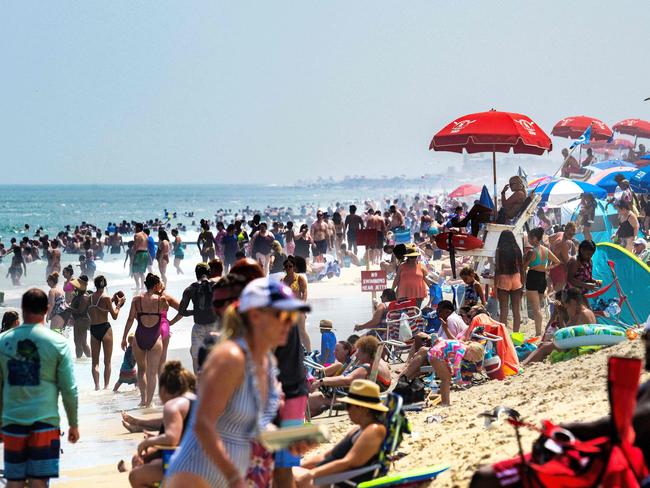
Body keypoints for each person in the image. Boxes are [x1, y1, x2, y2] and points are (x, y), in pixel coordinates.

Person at [470, 318, 650, 488]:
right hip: (614, 460)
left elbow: (633, 422)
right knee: (487, 476)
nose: (645, 346)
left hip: (628, 471)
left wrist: (570, 428)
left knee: (488, 479)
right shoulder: (646, 386)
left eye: (648, 340)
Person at [164, 278, 309, 488]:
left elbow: (250, 426)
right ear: (256, 316)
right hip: (198, 475)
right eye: (282, 315)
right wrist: (233, 476)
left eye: (292, 316)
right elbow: (203, 425)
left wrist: (288, 439)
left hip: (231, 474)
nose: (290, 323)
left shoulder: (267, 361)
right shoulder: (230, 357)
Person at [0, 288, 79, 486]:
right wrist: (73, 424)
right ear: (47, 309)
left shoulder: (2, 343)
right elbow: (69, 389)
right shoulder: (58, 343)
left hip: (12, 423)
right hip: (45, 424)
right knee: (39, 483)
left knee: (14, 481)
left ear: (22, 308)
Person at [293, 379, 388, 487]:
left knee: (284, 475)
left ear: (362, 408)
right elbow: (327, 455)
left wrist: (311, 474)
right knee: (286, 471)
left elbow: (348, 463)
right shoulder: (358, 429)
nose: (347, 410)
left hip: (337, 482)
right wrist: (302, 466)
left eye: (348, 406)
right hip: (327, 478)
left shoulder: (374, 431)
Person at [128, 361, 197, 488]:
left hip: (189, 466)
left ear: (164, 390)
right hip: (209, 462)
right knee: (147, 458)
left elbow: (172, 439)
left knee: (135, 476)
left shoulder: (173, 405)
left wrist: (147, 443)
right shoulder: (198, 400)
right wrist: (156, 437)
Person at [308, 335, 391, 417]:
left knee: (314, 399)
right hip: (370, 395)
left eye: (359, 351)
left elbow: (346, 380)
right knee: (315, 398)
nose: (357, 355)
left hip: (352, 400)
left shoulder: (368, 367)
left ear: (366, 352)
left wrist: (322, 381)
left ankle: (300, 421)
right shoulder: (381, 362)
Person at [122, 273, 169, 407]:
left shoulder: (137, 299)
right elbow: (166, 310)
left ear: (145, 284)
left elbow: (130, 319)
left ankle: (143, 400)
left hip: (140, 335)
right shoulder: (161, 299)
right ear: (156, 286)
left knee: (142, 370)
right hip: (155, 337)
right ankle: (149, 402)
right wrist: (161, 292)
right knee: (152, 372)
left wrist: (124, 337)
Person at [522, 288, 596, 365]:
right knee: (544, 345)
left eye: (567, 306)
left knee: (543, 347)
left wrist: (561, 315)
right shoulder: (586, 312)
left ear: (573, 302)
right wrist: (560, 314)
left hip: (579, 345)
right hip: (580, 342)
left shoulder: (581, 314)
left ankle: (524, 364)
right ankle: (526, 362)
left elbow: (568, 335)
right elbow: (568, 331)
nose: (566, 308)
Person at [172, 263, 218, 373]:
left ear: (196, 274)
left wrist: (196, 312)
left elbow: (182, 311)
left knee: (196, 358)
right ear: (209, 273)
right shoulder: (216, 286)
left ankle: (198, 384)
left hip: (198, 327)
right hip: (215, 326)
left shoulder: (190, 289)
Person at [89, 275, 126, 390]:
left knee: (95, 363)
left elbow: (97, 306)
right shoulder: (106, 298)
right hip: (105, 328)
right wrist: (118, 304)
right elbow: (114, 316)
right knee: (107, 361)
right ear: (105, 285)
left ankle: (96, 386)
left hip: (94, 329)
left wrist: (113, 300)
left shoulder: (89, 298)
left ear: (95, 285)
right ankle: (106, 387)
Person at [523, 227, 561, 336]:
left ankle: (538, 333)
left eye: (530, 238)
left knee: (536, 308)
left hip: (533, 276)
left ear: (534, 238)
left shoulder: (531, 251)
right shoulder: (546, 249)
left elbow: (524, 266)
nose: (528, 240)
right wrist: (547, 268)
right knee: (538, 307)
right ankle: (539, 331)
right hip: (542, 277)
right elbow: (557, 262)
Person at [494, 230, 524, 332]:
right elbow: (522, 267)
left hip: (503, 279)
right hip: (516, 278)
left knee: (504, 311)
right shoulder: (517, 249)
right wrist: (522, 284)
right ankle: (516, 334)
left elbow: (497, 269)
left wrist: (495, 286)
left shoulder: (499, 250)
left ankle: (503, 335)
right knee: (516, 311)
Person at [282, 255, 311, 352]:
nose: (288, 268)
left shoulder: (299, 278)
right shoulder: (283, 280)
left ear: (294, 267)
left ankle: (310, 351)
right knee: (291, 332)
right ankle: (297, 352)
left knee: (302, 331)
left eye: (290, 266)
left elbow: (305, 292)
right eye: (286, 267)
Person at [67, 276, 92, 358]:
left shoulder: (84, 296)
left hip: (81, 320)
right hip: (81, 320)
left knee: (78, 343)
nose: (74, 287)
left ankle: (79, 362)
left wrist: (68, 309)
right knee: (82, 343)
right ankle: (90, 359)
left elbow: (80, 311)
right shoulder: (80, 294)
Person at [548, 222, 576, 291]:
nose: (571, 236)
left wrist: (551, 250)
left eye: (573, 234)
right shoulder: (563, 243)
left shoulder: (559, 233)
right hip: (560, 270)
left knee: (554, 292)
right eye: (570, 234)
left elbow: (549, 238)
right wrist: (574, 257)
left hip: (553, 268)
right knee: (557, 294)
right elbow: (567, 261)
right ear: (566, 231)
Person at [132, 223, 149, 291]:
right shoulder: (145, 235)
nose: (134, 229)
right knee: (142, 272)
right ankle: (142, 286)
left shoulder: (137, 235)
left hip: (139, 254)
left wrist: (133, 255)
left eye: (135, 228)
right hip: (145, 253)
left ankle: (137, 286)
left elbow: (136, 245)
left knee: (134, 271)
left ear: (138, 228)